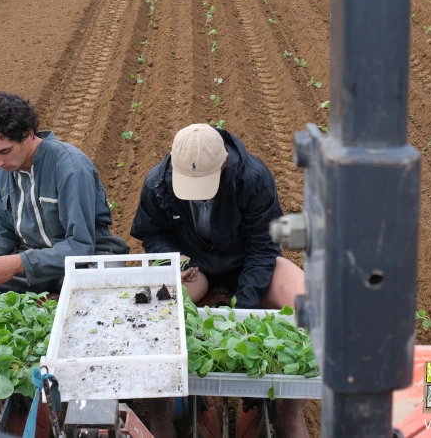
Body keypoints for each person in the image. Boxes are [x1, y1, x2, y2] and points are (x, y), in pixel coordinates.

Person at [0, 92, 129, 427]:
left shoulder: (69, 167)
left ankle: (89, 408)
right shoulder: (1, 171)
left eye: (4, 151)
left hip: (87, 263)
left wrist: (17, 265)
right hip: (33, 262)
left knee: (86, 309)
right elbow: (0, 231)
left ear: (29, 135)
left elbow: (80, 245)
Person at [131, 123, 309, 438]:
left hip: (247, 263)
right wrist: (176, 260)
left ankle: (285, 408)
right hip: (194, 266)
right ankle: (163, 413)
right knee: (148, 307)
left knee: (308, 301)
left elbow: (262, 246)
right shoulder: (158, 182)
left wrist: (246, 305)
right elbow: (152, 233)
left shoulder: (252, 178)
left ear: (224, 160)